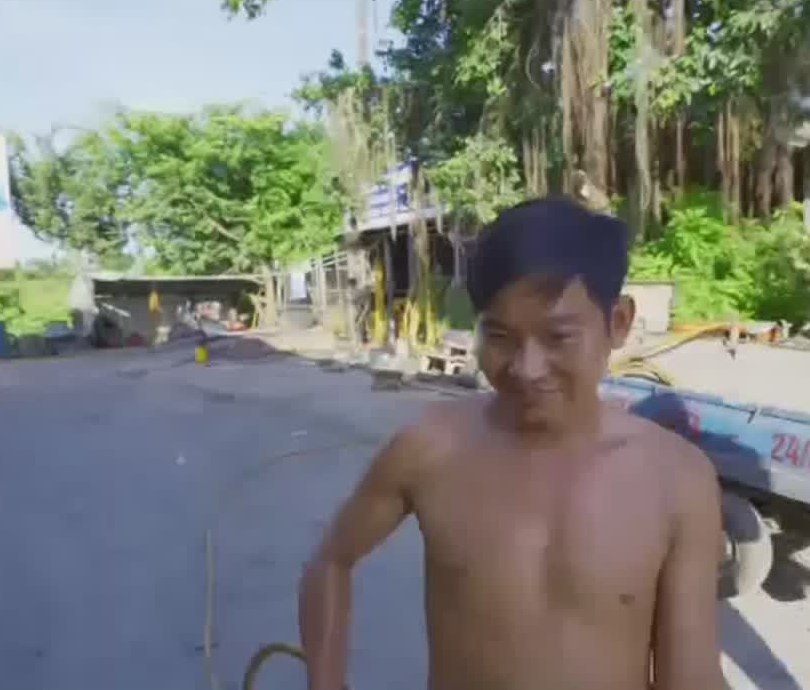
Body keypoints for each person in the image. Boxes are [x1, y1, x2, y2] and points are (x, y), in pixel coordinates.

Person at [298, 196, 725, 690]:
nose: (526, 368)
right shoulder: (429, 449)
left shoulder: (676, 480)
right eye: (499, 336)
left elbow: (689, 676)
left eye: (558, 337)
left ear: (619, 323)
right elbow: (330, 562)